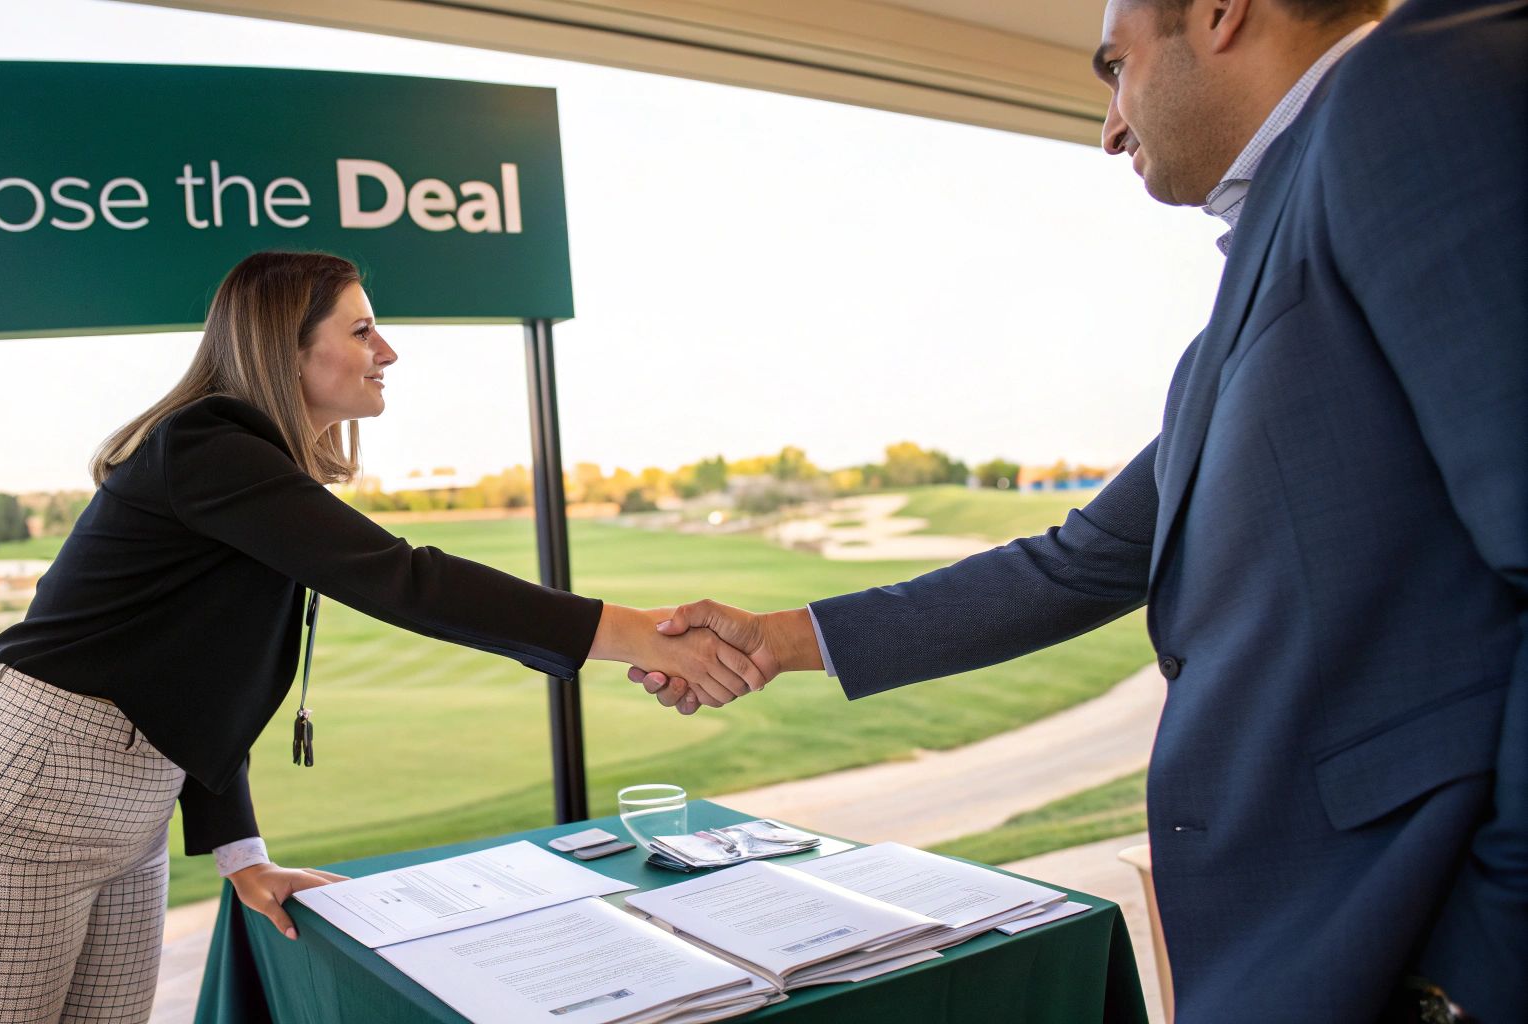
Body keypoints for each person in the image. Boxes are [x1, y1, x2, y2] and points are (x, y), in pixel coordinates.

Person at [633, 0, 1525, 1019]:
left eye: (1115, 67)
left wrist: (1492, 949)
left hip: (1418, 937)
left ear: (1222, 13)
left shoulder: (1414, 88)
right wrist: (776, 639)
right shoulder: (1272, 253)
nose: (1109, 125)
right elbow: (1074, 562)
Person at [0, 250, 759, 1023]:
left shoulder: (251, 474)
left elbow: (198, 683)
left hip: (122, 826)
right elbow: (406, 579)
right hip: (10, 812)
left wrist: (242, 853)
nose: (389, 351)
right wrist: (641, 633)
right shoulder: (207, 445)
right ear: (281, 346)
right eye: (363, 330)